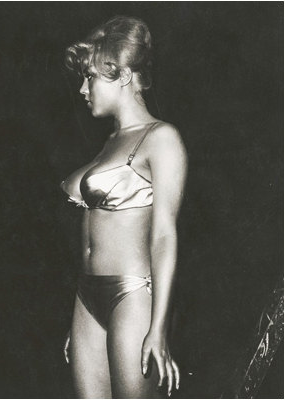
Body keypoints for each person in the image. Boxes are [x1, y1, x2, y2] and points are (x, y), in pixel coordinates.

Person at [60, 15, 187, 399]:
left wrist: (158, 328)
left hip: (132, 296)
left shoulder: (161, 138)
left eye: (91, 77)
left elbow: (163, 235)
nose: (83, 89)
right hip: (86, 297)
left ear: (124, 76)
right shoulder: (110, 142)